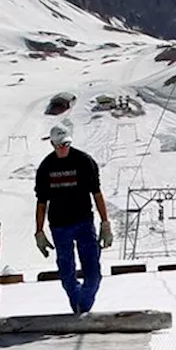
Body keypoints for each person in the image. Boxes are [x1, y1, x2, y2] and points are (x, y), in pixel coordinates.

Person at [33, 122, 113, 315]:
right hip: (60, 227)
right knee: (66, 271)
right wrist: (39, 231)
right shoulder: (46, 167)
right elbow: (42, 202)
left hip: (84, 222)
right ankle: (78, 306)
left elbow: (97, 193)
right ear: (52, 144)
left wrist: (105, 223)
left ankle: (82, 307)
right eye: (60, 145)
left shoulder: (84, 161)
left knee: (93, 272)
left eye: (66, 144)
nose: (63, 148)